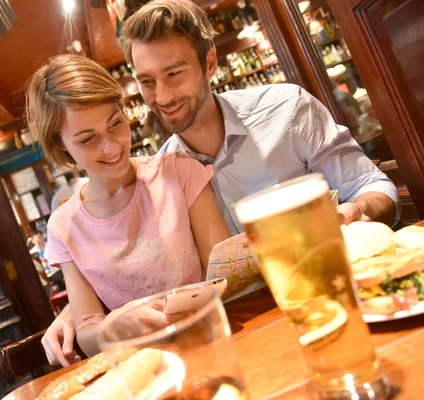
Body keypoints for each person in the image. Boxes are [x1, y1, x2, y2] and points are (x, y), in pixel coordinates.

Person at [42, 0, 399, 366]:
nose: (161, 97)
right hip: (249, 336)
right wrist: (81, 311)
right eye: (147, 81)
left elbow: (374, 186)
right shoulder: (165, 173)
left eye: (175, 74)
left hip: (340, 296)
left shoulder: (286, 110)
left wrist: (355, 211)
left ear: (210, 62)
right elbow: (151, 269)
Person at [27, 54, 230, 358]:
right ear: (61, 147)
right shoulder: (64, 226)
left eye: (115, 124)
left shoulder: (179, 172)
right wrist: (117, 324)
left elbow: (225, 275)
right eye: (87, 140)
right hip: (144, 367)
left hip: (210, 340)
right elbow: (87, 332)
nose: (111, 147)